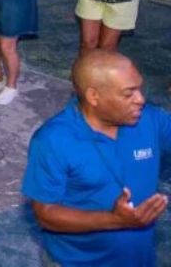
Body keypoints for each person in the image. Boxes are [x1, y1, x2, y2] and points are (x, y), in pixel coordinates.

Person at [22, 50, 170, 266]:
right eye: (128, 94)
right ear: (94, 96)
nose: (141, 99)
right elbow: (45, 214)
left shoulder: (151, 120)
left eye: (140, 88)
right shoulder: (53, 140)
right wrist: (115, 220)